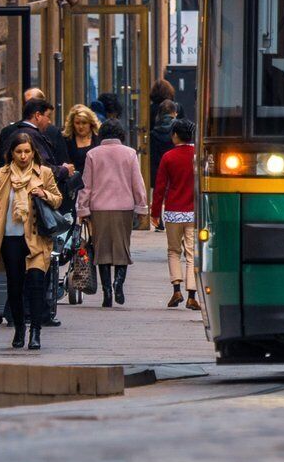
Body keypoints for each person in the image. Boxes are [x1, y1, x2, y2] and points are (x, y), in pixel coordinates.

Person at [0, 132, 62, 350]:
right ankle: (19, 328)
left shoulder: (44, 173)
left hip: (37, 239)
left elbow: (58, 200)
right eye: (19, 152)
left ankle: (35, 332)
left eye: (27, 151)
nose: (23, 156)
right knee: (15, 288)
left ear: (33, 152)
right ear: (11, 153)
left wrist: (44, 194)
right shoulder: (2, 175)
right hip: (10, 239)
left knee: (36, 285)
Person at [76, 119, 148, 308]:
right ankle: (118, 283)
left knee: (102, 251)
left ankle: (107, 292)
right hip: (124, 208)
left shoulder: (92, 154)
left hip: (98, 209)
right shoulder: (130, 154)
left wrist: (82, 209)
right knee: (122, 248)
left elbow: (86, 185)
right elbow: (137, 183)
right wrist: (141, 207)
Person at [153, 119, 200, 310]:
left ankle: (176, 290)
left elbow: (160, 188)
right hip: (194, 212)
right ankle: (192, 295)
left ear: (175, 135)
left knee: (173, 251)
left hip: (173, 211)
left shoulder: (168, 157)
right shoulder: (199, 156)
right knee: (192, 253)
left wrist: (155, 212)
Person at [148, 98, 179, 230]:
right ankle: (174, 218)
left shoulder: (154, 131)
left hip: (158, 163)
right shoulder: (177, 128)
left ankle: (158, 221)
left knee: (158, 191)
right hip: (174, 163)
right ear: (174, 112)